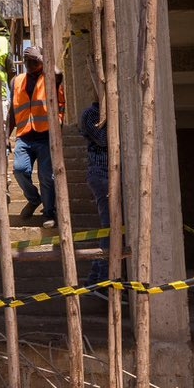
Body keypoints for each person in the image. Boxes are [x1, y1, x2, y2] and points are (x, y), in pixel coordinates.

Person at [10, 48, 60, 224]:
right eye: (27, 60)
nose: (30, 64)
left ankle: (49, 212)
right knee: (19, 170)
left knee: (47, 176)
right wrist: (5, 136)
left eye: (33, 60)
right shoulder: (17, 81)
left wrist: (43, 58)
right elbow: (12, 111)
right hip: (24, 135)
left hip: (46, 135)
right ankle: (33, 199)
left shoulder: (51, 77)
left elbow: (58, 73)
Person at [81, 99, 110, 285]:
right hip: (102, 175)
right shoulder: (91, 114)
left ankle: (95, 279)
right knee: (111, 230)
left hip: (110, 175)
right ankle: (103, 280)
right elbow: (105, 139)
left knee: (113, 230)